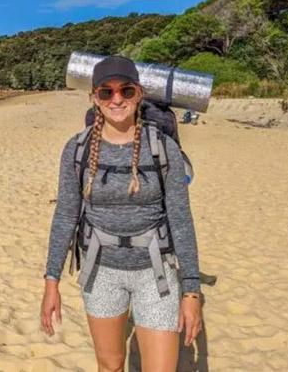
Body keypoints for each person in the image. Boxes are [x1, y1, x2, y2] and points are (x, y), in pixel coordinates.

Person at [41, 56, 203, 371]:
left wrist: (192, 291)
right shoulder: (77, 150)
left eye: (126, 91)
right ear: (94, 98)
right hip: (100, 273)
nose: (117, 100)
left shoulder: (163, 148)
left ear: (139, 94)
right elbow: (65, 215)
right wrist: (51, 281)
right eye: (106, 92)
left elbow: (181, 220)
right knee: (111, 365)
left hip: (155, 273)